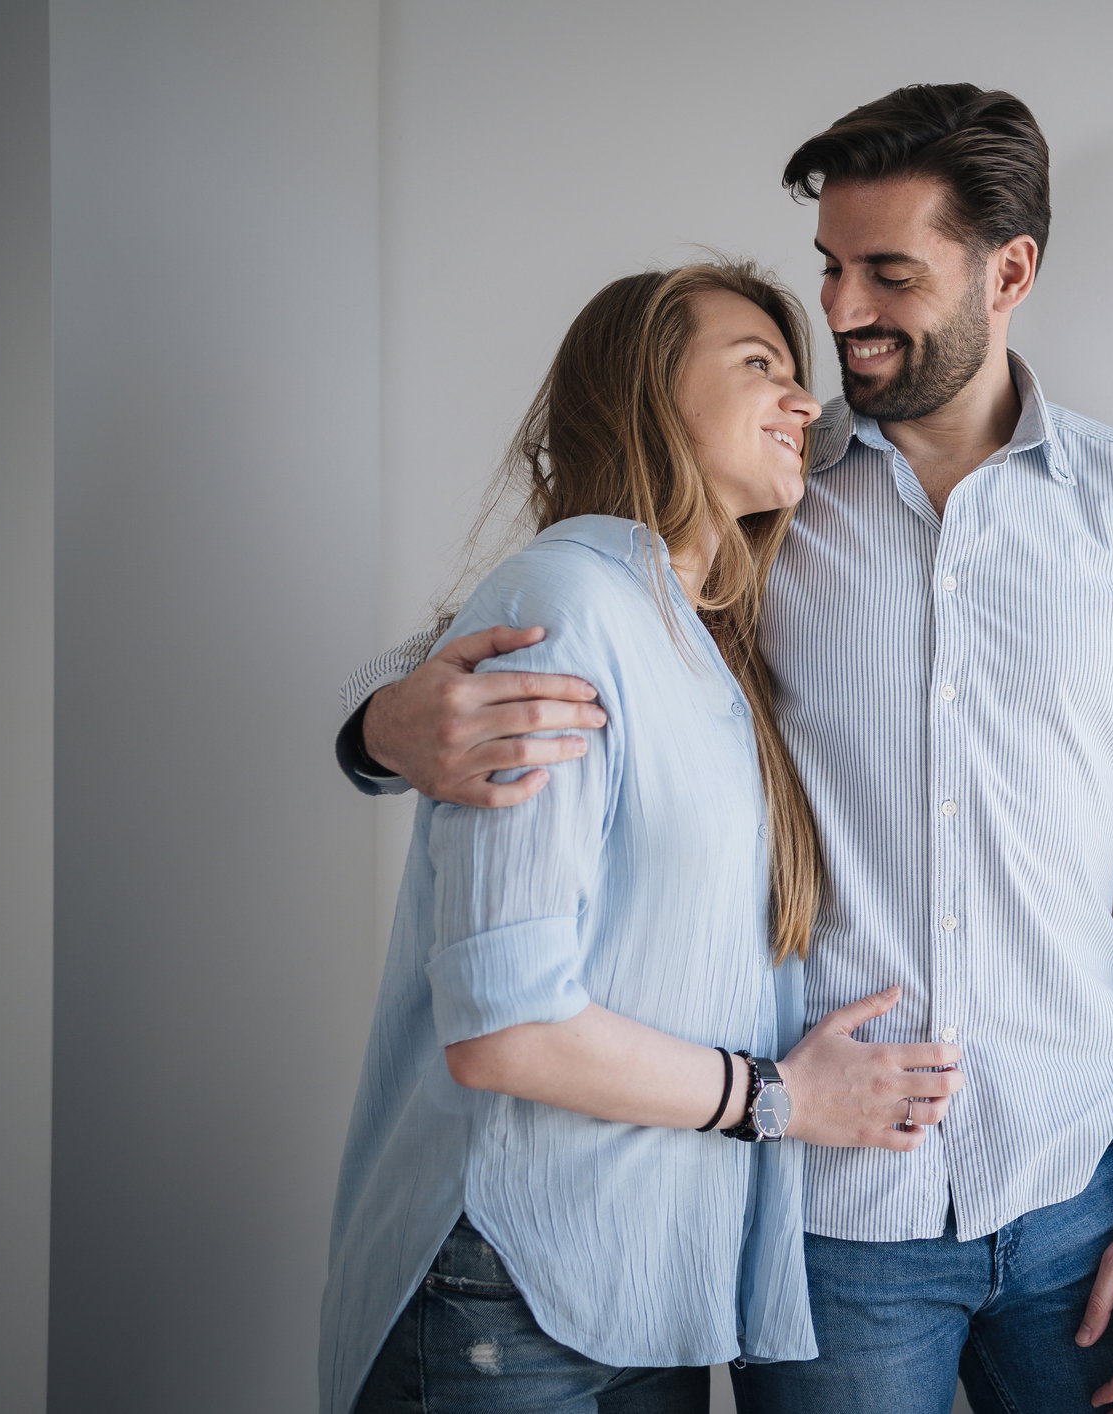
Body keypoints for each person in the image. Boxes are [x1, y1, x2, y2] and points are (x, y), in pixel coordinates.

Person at [337, 85, 1113, 1414]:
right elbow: (530, 622)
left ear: (1008, 273)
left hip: (1081, 1192)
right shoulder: (764, 506)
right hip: (826, 1226)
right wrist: (381, 722)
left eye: (889, 273)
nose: (838, 314)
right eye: (830, 269)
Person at [320, 260, 966, 1414]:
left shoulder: (703, 637)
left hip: (645, 1285)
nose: (806, 403)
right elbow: (507, 1029)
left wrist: (376, 717)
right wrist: (780, 1098)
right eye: (759, 365)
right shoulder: (569, 606)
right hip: (511, 1289)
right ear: (648, 397)